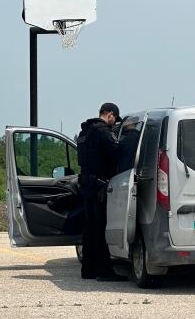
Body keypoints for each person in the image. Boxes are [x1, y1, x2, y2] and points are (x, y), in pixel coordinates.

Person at [76, 102, 125, 281]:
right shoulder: (103, 131)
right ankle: (104, 271)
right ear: (110, 114)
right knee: (100, 229)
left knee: (89, 230)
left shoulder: (85, 132)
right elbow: (116, 152)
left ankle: (87, 270)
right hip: (99, 185)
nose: (114, 123)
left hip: (87, 183)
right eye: (114, 119)